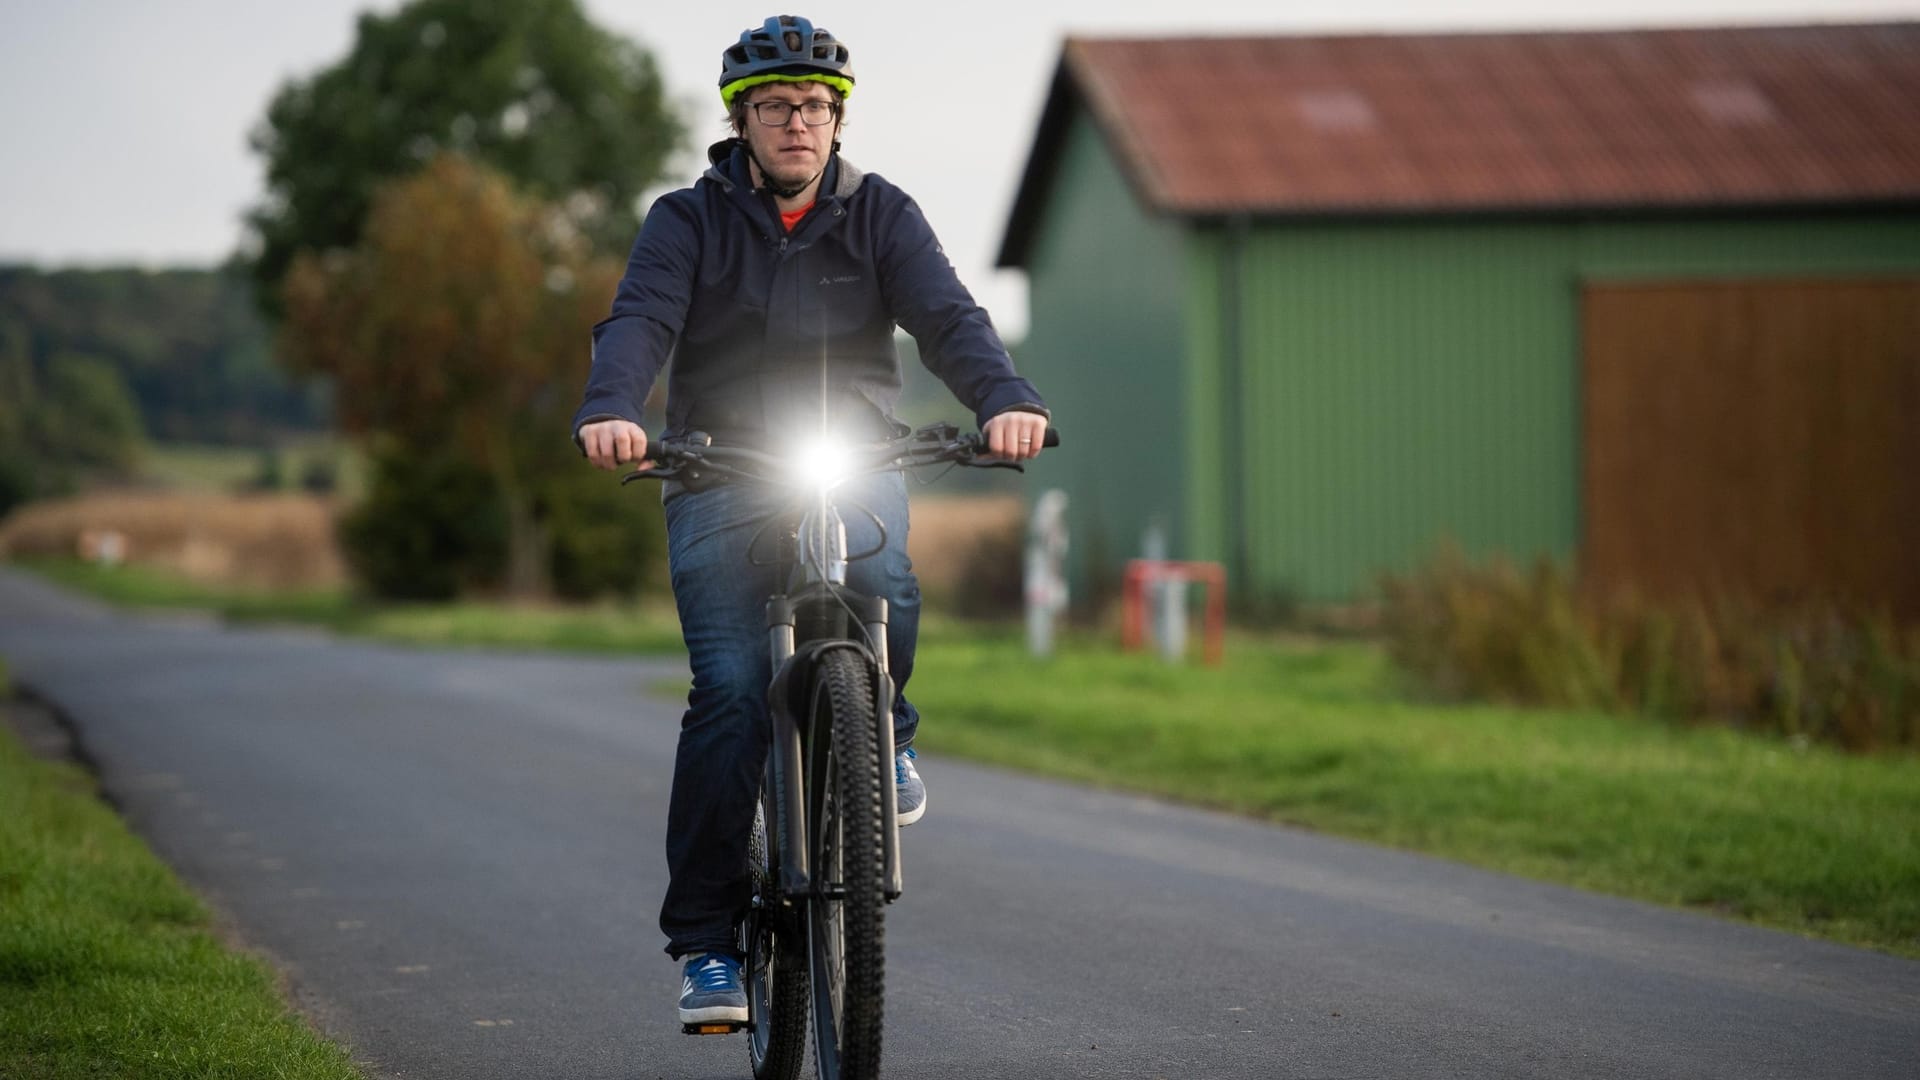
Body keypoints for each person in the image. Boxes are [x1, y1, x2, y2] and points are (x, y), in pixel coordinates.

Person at [571, 15, 1049, 1026]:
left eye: (819, 107)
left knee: (885, 579)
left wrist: (1006, 399)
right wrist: (614, 410)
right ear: (742, 120)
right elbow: (641, 319)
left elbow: (951, 317)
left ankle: (889, 727)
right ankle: (706, 946)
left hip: (850, 450)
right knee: (735, 693)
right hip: (717, 468)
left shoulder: (881, 214)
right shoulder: (686, 220)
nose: (802, 122)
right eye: (781, 106)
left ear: (838, 122)